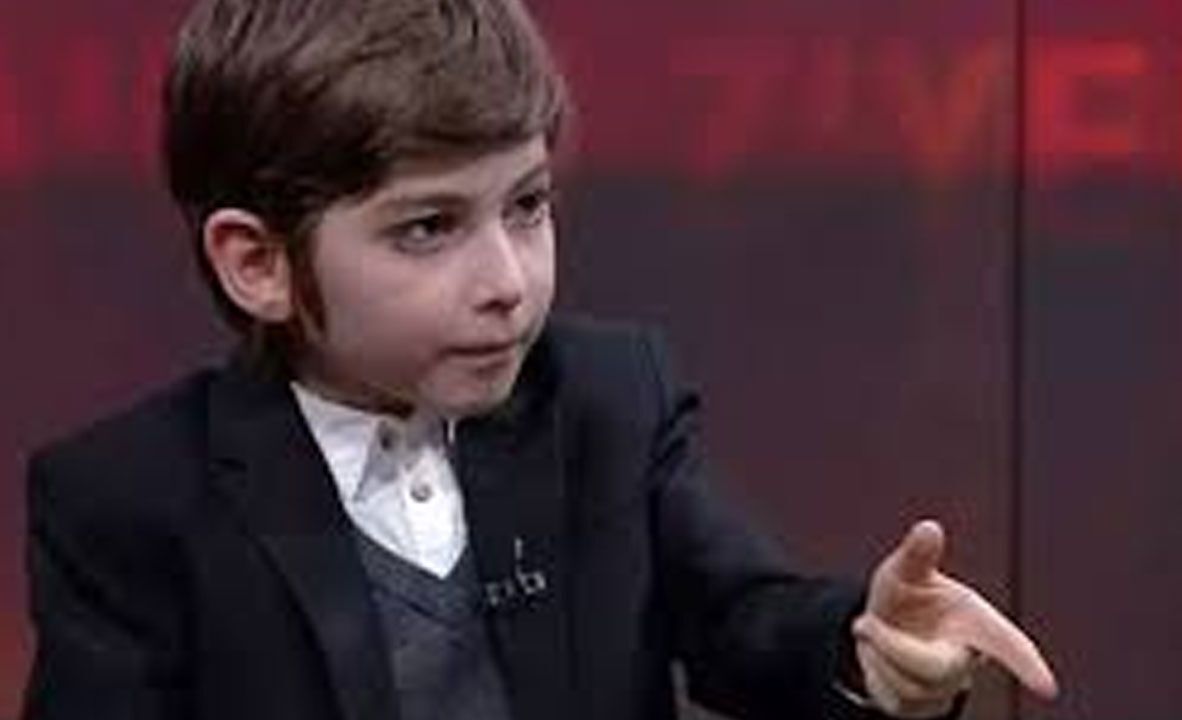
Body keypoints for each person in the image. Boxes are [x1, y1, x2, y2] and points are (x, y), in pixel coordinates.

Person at [22, 0, 1058, 718]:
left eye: (526, 207)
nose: (508, 280)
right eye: (428, 228)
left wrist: (868, 651)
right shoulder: (126, 503)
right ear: (259, 264)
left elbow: (742, 616)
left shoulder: (607, 401)